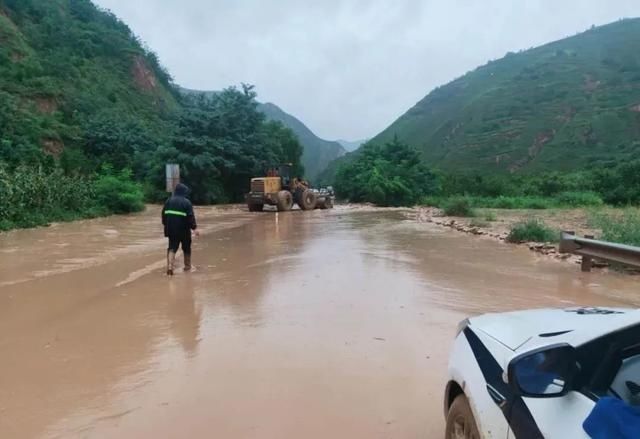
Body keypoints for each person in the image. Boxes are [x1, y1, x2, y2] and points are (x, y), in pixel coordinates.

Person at [162, 183, 198, 275]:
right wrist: (194, 228)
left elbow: (163, 215)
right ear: (183, 192)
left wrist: (166, 224)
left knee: (172, 247)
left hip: (171, 229)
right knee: (186, 248)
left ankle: (170, 267)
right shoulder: (186, 202)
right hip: (184, 230)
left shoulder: (168, 201)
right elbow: (190, 217)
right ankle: (187, 267)